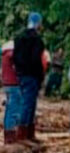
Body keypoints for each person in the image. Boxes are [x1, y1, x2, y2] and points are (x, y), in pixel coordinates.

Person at [13, 12, 45, 142]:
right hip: (32, 75)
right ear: (38, 24)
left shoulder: (19, 38)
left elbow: (15, 57)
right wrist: (40, 76)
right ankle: (24, 134)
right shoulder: (37, 40)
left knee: (28, 102)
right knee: (29, 104)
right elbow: (36, 60)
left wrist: (20, 70)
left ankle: (27, 133)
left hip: (21, 74)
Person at [1, 41, 22, 144]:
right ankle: (10, 137)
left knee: (9, 110)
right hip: (14, 84)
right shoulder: (11, 54)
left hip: (7, 84)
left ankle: (8, 134)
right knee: (14, 110)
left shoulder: (4, 54)